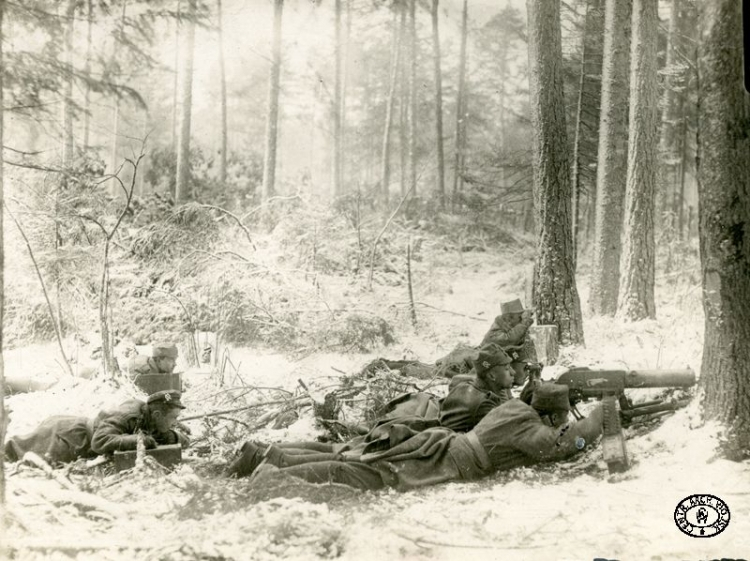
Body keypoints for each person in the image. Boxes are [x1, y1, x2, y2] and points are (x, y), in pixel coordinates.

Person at [233, 384, 603, 492]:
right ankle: (275, 474)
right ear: (553, 415)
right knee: (368, 474)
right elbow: (560, 446)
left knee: (355, 459)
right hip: (449, 459)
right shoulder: (529, 425)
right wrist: (600, 418)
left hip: (445, 445)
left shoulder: (516, 409)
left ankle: (276, 459)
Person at [225, 346, 516, 478]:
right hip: (424, 443)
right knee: (346, 458)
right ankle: (273, 459)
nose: (513, 373)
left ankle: (266, 452)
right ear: (491, 375)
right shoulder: (485, 403)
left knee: (341, 448)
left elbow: (461, 380)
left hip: (412, 428)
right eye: (506, 370)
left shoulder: (463, 386)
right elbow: (508, 421)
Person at [4, 390, 190, 464]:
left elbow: (167, 436)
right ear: (158, 414)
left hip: (77, 435)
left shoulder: (150, 416)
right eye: (173, 418)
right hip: (67, 436)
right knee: (14, 452)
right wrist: (137, 440)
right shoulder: (129, 415)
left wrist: (174, 436)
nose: (175, 422)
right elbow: (100, 442)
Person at [480, 298, 536, 385]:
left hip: (505, 360)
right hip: (487, 364)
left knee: (519, 378)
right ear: (509, 319)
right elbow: (510, 339)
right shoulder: (495, 332)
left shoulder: (514, 328)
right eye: (519, 317)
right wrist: (524, 324)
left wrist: (527, 364)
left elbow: (520, 349)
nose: (522, 319)